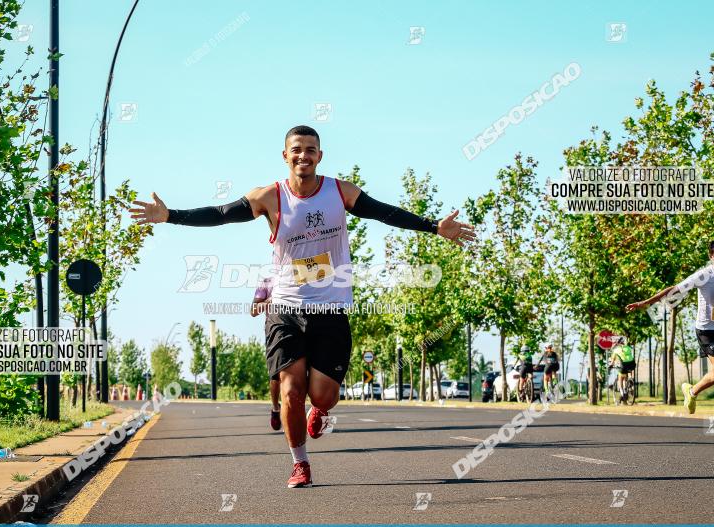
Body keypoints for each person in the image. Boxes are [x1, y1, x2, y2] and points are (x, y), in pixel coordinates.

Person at [130, 125, 474, 488]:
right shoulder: (270, 197)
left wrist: (434, 227)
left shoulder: (339, 192)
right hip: (286, 309)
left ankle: (321, 411)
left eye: (311, 150)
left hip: (331, 308)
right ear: (285, 155)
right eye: (296, 149)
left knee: (323, 394)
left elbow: (383, 213)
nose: (303, 156)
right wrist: (170, 216)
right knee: (291, 390)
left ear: (319, 156)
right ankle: (300, 463)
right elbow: (221, 213)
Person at [627, 239, 714, 432]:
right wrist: (646, 302)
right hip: (706, 331)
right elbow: (674, 289)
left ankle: (692, 391)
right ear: (711, 256)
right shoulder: (703, 276)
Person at [251, 275, 281, 431]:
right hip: (275, 329)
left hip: (301, 327)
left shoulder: (301, 275)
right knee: (276, 375)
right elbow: (254, 311)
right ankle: (275, 407)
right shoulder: (266, 282)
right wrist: (272, 300)